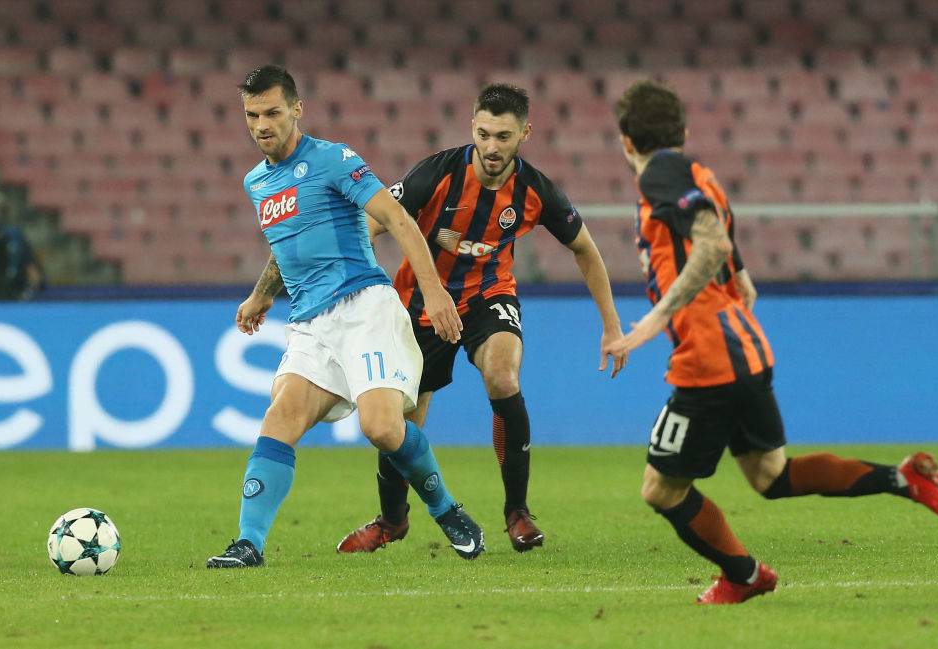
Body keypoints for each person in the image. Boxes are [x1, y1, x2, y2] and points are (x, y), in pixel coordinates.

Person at [602, 80, 938, 604]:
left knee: (661, 489)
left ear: (625, 142)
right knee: (771, 475)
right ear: (683, 131)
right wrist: (739, 275)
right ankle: (904, 478)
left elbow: (712, 242)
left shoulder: (660, 171)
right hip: (747, 348)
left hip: (709, 360)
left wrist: (654, 319)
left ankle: (744, 576)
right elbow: (730, 255)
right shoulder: (700, 173)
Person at [206, 65, 485, 568]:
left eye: (272, 112)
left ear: (297, 110)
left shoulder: (334, 159)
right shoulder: (257, 183)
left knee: (380, 427)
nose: (261, 124)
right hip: (311, 324)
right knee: (278, 419)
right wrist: (260, 295)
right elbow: (286, 244)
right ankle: (249, 544)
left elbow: (397, 218)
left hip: (363, 307)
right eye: (252, 114)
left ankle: (446, 510)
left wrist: (433, 291)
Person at [336, 83, 627, 555]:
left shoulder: (535, 191)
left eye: (504, 137)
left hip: (488, 296)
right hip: (422, 303)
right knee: (402, 421)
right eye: (484, 134)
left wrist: (612, 327)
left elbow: (585, 251)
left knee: (503, 374)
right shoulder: (436, 174)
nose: (492, 147)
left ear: (524, 134)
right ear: (473, 127)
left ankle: (518, 511)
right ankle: (392, 520)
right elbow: (370, 225)